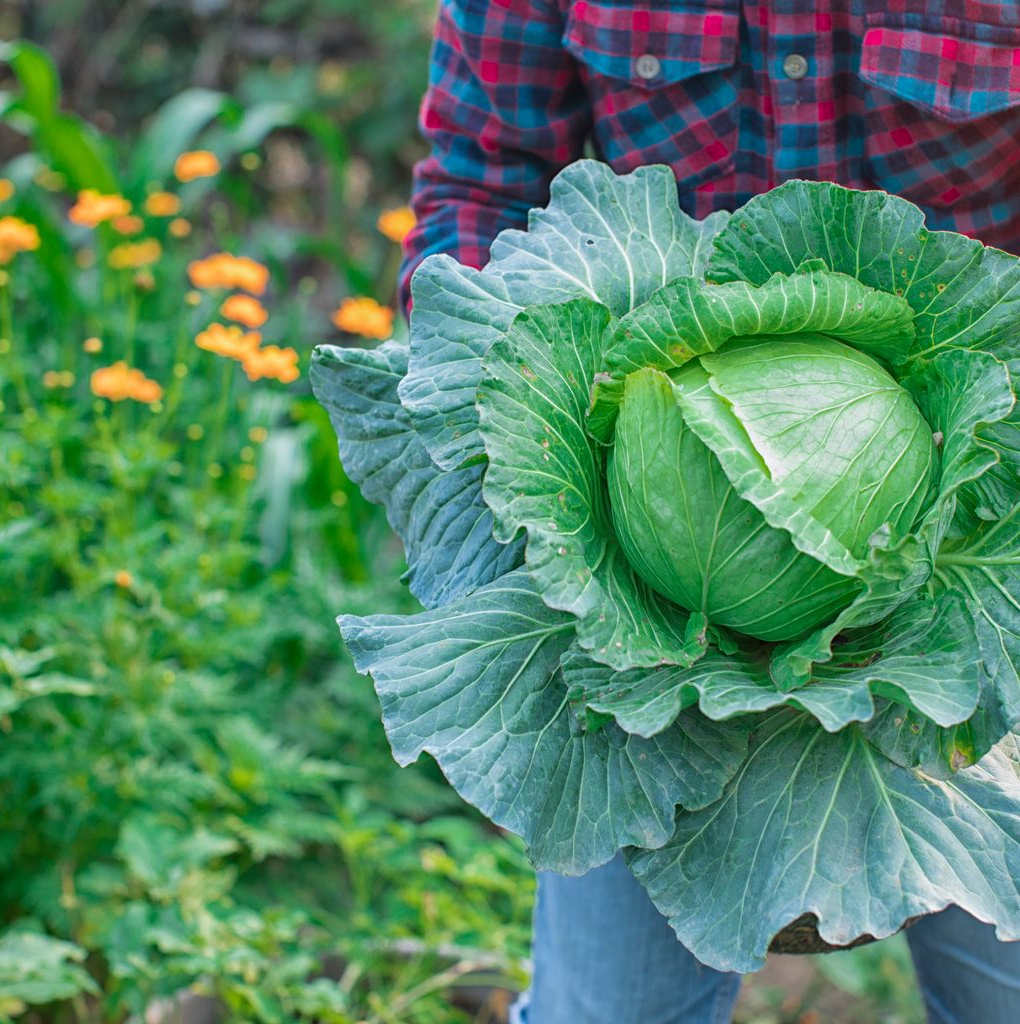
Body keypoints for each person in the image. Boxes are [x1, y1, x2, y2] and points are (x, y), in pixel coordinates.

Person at [398, 3, 1020, 1022]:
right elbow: (482, 179)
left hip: (982, 549)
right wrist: (509, 454)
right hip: (630, 589)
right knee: (607, 1013)